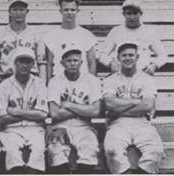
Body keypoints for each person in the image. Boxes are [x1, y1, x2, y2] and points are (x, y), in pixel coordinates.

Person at [102, 41, 165, 174]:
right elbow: (110, 104)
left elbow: (148, 105)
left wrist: (121, 105)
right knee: (112, 150)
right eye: (124, 55)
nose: (128, 58)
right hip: (118, 123)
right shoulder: (110, 80)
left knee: (155, 150)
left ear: (137, 57)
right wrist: (137, 101)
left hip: (142, 122)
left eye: (131, 55)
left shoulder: (147, 79)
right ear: (118, 58)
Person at [46, 44, 101, 174]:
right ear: (62, 62)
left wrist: (68, 105)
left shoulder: (92, 80)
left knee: (90, 148)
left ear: (81, 62)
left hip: (84, 126)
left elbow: (95, 111)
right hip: (60, 126)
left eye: (75, 60)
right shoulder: (55, 81)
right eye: (68, 60)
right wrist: (83, 108)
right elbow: (54, 113)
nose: (72, 63)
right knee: (56, 151)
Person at [0, 47, 48, 174]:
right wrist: (31, 113)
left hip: (35, 129)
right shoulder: (4, 85)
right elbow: (1, 119)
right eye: (21, 61)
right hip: (11, 130)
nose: (25, 65)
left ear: (33, 64)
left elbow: (42, 114)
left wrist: (15, 111)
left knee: (39, 149)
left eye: (28, 62)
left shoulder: (40, 83)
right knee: (11, 151)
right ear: (15, 63)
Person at [98, 0, 168, 76]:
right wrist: (112, 63)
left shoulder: (149, 31)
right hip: (120, 75)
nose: (132, 17)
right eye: (128, 13)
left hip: (142, 75)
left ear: (140, 14)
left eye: (135, 13)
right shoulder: (116, 31)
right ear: (123, 14)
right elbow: (102, 54)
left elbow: (163, 54)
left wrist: (154, 65)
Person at [0, 0, 47, 84]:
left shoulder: (36, 34)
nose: (18, 13)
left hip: (31, 79)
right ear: (9, 12)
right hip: (6, 78)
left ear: (27, 11)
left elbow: (41, 63)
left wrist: (43, 84)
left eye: (21, 9)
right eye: (15, 9)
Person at [44, 0, 97, 78]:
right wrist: (49, 85)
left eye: (72, 9)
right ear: (60, 11)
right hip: (59, 82)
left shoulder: (87, 35)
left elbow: (92, 63)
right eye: (66, 10)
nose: (69, 12)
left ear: (77, 11)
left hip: (82, 81)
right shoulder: (51, 36)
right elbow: (49, 65)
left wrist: (92, 84)